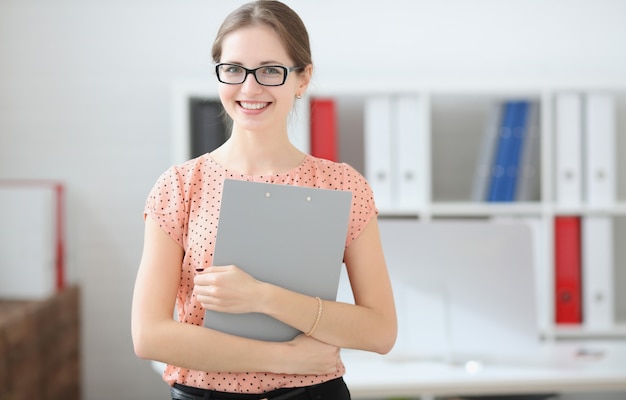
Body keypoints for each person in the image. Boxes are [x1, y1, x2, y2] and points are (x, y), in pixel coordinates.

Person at [131, 1, 397, 399]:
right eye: (234, 69)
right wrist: (284, 358)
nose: (250, 88)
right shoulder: (180, 186)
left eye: (271, 70)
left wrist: (262, 297)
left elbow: (380, 331)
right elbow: (149, 336)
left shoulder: (342, 186)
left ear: (302, 79)